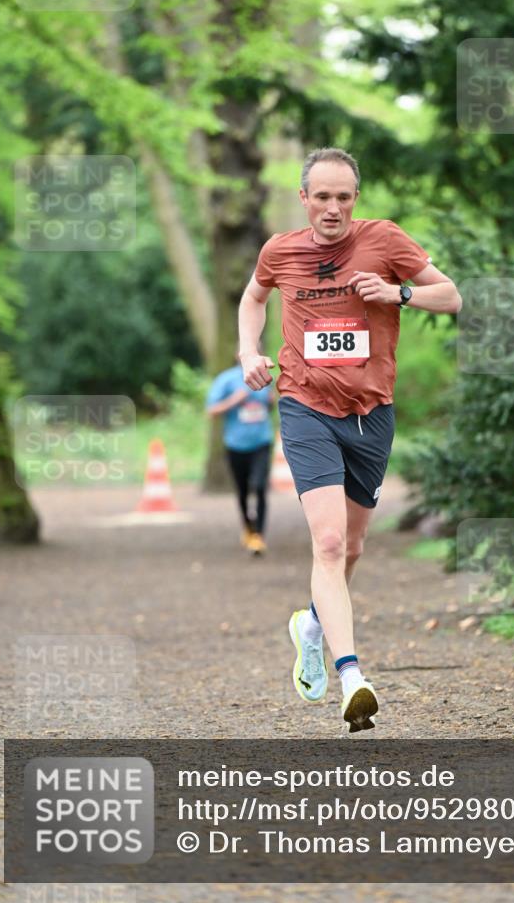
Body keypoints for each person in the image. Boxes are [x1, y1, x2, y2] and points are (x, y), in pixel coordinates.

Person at [238, 147, 461, 732]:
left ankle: (309, 626)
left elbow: (452, 295)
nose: (332, 208)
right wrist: (247, 352)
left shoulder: (385, 241)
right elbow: (254, 297)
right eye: (322, 196)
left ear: (354, 199)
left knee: (354, 548)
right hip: (306, 406)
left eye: (343, 197)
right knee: (330, 544)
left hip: (371, 415)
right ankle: (352, 676)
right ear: (303, 198)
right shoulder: (279, 251)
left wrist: (399, 294)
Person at [206, 362, 274, 555]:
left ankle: (259, 535)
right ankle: (248, 527)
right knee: (243, 490)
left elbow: (269, 406)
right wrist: (235, 400)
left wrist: (271, 402)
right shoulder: (226, 379)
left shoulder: (266, 377)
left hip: (262, 441)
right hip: (236, 444)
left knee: (260, 486)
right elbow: (211, 411)